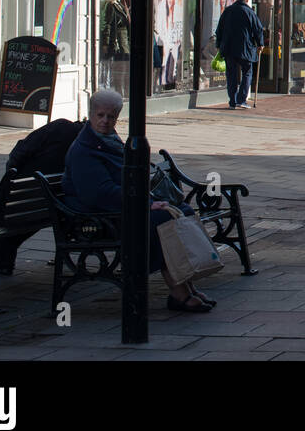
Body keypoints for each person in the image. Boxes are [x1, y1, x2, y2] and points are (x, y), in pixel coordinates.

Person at [62, 90, 215, 313]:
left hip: (118, 208)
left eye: (111, 116)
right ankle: (178, 291)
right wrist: (144, 204)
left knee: (180, 210)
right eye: (100, 115)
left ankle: (186, 284)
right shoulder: (84, 150)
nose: (105, 121)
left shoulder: (107, 141)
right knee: (161, 221)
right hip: (97, 218)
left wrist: (150, 200)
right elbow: (97, 193)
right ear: (91, 114)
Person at [0, 117, 84, 274]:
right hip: (49, 207)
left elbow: (20, 151)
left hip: (21, 201)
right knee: (29, 213)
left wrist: (11, 176)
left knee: (13, 215)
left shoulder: (61, 127)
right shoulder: (89, 143)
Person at [214, 0, 264, 109]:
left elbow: (219, 29)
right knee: (247, 72)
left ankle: (232, 101)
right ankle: (241, 99)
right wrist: (260, 43)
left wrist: (219, 45)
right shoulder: (250, 12)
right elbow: (258, 29)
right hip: (245, 49)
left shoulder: (228, 11)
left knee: (231, 74)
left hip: (229, 48)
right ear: (247, 0)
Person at [100, 0, 132, 96]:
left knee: (124, 69)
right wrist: (105, 43)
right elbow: (108, 25)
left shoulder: (120, 6)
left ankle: (124, 92)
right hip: (118, 43)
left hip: (124, 44)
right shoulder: (111, 5)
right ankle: (118, 92)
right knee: (118, 70)